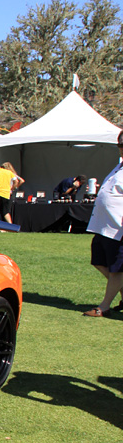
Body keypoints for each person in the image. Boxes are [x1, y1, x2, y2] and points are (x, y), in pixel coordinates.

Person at [82, 129, 123, 317]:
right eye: (120, 145)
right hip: (104, 226)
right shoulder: (119, 166)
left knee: (117, 269)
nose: (121, 148)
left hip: (118, 227)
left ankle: (104, 306)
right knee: (99, 261)